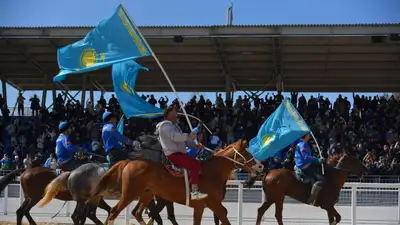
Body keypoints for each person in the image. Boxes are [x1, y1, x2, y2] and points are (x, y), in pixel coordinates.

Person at [155, 106, 208, 200]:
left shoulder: (174, 126)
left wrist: (196, 145)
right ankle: (194, 191)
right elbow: (177, 137)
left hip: (180, 153)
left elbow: (185, 141)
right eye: (175, 112)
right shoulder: (165, 125)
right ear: (169, 113)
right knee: (195, 165)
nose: (177, 114)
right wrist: (191, 135)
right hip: (174, 154)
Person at [295, 133, 325, 206]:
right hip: (305, 166)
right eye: (308, 135)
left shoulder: (299, 144)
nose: (309, 136)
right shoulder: (303, 144)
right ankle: (311, 199)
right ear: (305, 136)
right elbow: (306, 157)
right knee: (321, 179)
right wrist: (318, 160)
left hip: (300, 165)